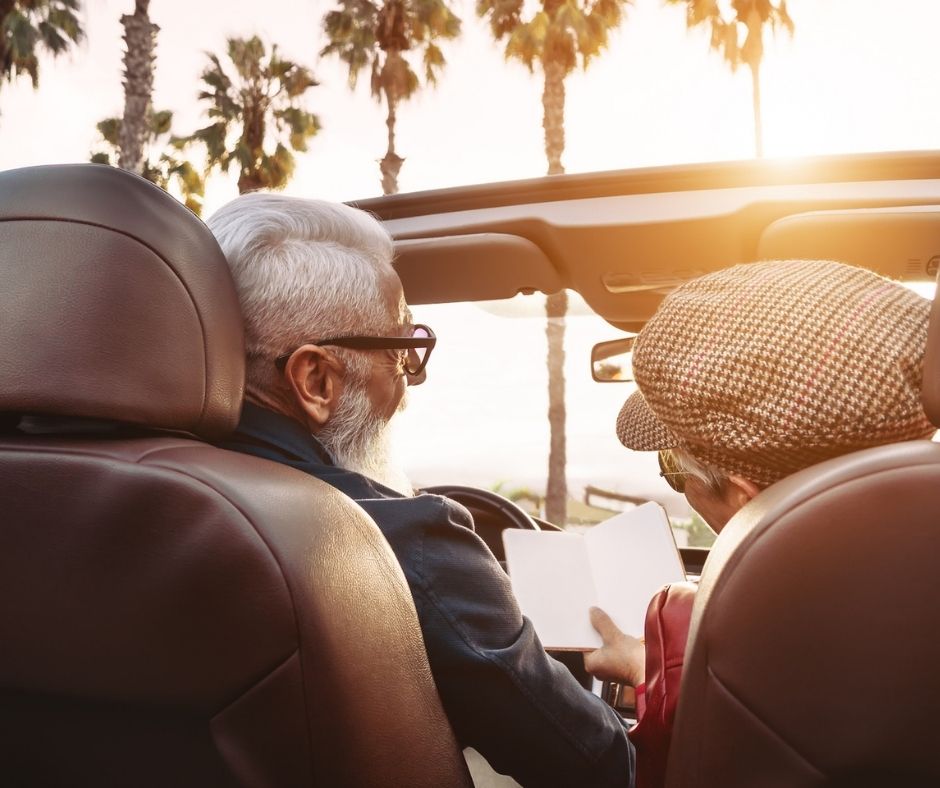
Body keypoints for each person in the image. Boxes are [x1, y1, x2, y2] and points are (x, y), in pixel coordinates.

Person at [205, 193, 635, 788]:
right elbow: (595, 766)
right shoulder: (406, 543)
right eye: (404, 356)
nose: (407, 391)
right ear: (316, 379)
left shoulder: (65, 503)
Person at [584, 258, 936, 685]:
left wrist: (649, 674)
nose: (681, 488)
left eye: (673, 467)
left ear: (747, 500)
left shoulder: (735, 649)